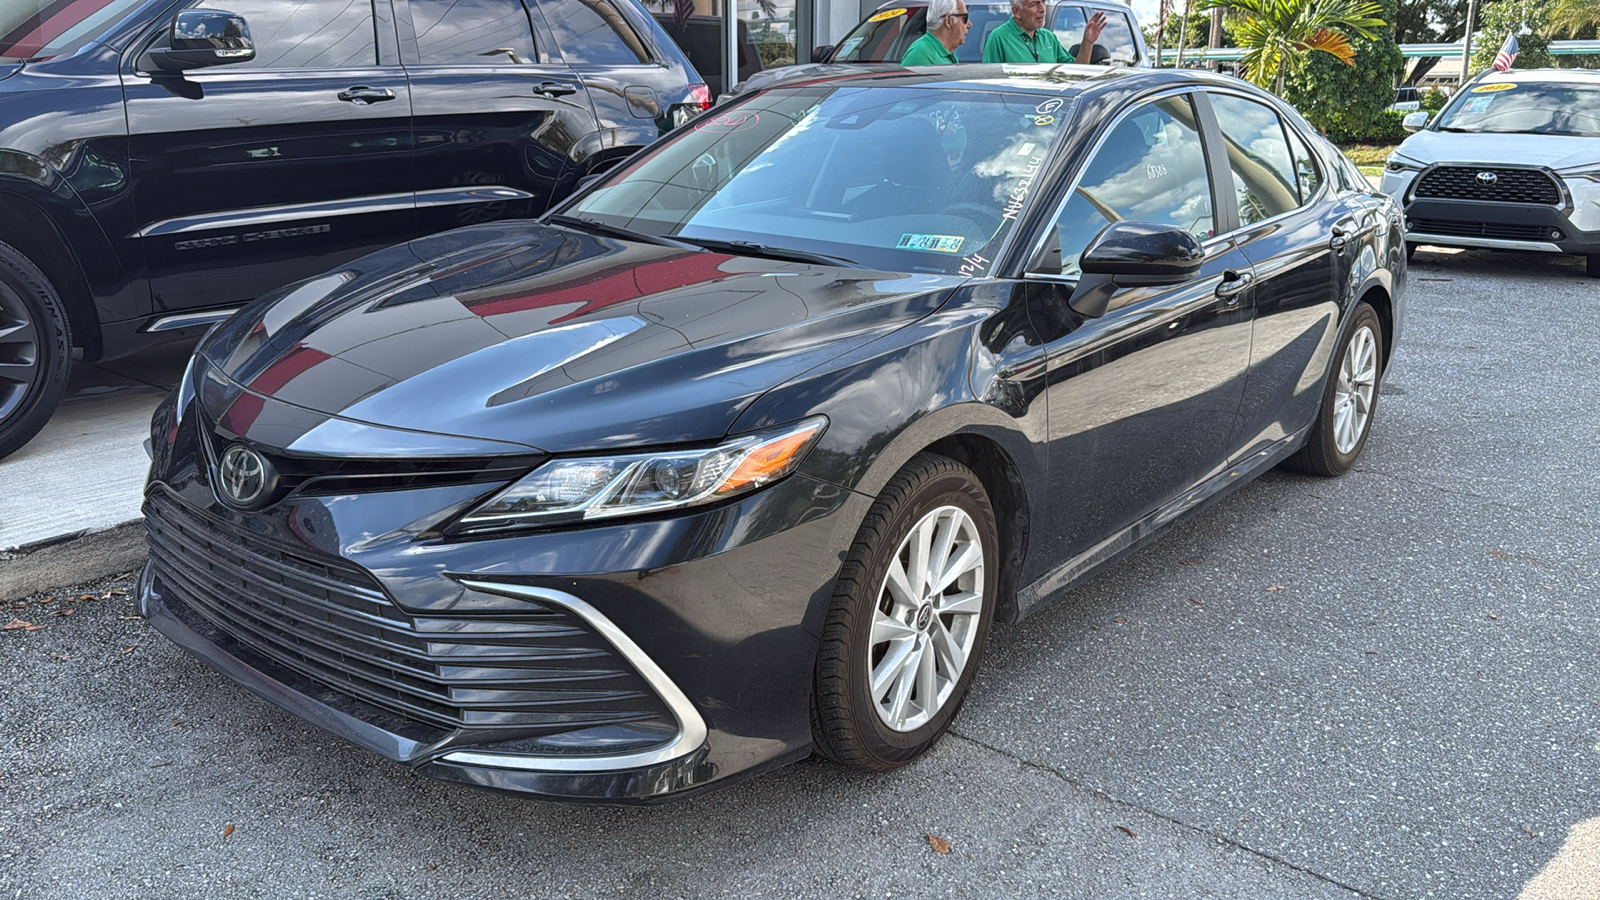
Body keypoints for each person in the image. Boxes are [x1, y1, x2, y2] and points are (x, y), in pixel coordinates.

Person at [982, 0, 1105, 66]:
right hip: (1014, 112)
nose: (1042, 9)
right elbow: (989, 86)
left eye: (1043, 1)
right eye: (1034, 4)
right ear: (1016, 11)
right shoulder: (998, 38)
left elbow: (1077, 74)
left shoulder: (1048, 37)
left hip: (1047, 110)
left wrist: (1087, 43)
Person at [901, 0, 972, 65]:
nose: (969, 25)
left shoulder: (943, 54)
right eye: (965, 18)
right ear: (948, 21)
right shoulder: (920, 54)